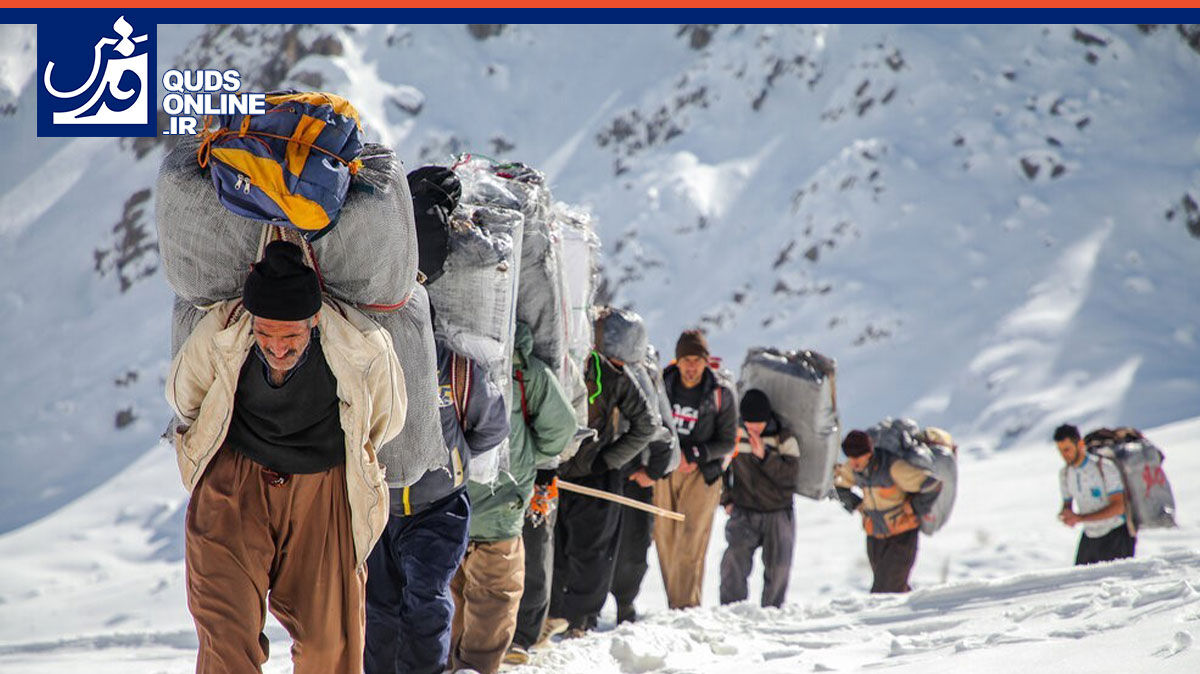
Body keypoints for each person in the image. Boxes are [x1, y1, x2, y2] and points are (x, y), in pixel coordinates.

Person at [166, 241, 406, 674]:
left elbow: (386, 420)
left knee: (328, 645)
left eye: (290, 335)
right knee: (225, 635)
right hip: (234, 486)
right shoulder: (224, 332)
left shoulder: (362, 350)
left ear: (313, 320)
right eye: (266, 334)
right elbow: (186, 397)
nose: (277, 348)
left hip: (323, 492)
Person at [364, 306, 509, 674]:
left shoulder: (456, 369)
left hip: (440, 508)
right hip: (380, 508)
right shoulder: (370, 364)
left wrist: (452, 459)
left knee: (426, 597)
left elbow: (492, 425)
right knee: (379, 605)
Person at [450, 322, 576, 673]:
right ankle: (475, 667)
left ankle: (451, 664)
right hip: (502, 502)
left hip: (447, 501)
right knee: (494, 596)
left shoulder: (446, 360)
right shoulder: (526, 371)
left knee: (452, 591)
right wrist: (531, 458)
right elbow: (561, 428)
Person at [550, 310, 657, 638]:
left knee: (590, 552)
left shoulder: (612, 377)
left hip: (593, 478)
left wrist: (607, 461)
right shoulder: (558, 367)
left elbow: (647, 424)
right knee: (555, 549)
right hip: (554, 476)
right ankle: (553, 617)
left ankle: (580, 620)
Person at [652, 329, 737, 609]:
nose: (691, 366)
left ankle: (685, 607)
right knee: (665, 540)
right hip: (666, 470)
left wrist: (695, 455)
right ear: (677, 361)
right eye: (686, 360)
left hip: (703, 474)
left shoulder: (719, 394)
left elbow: (727, 441)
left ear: (706, 361)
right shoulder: (663, 386)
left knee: (691, 540)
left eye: (696, 360)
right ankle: (674, 604)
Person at [609, 355, 679, 624]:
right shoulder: (597, 373)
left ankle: (624, 605)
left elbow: (660, 431)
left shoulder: (641, 377)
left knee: (634, 546)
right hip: (601, 475)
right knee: (593, 544)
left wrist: (652, 472)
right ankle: (585, 611)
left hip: (633, 479)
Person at [718, 390, 800, 608]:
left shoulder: (784, 437)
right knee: (733, 560)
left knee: (779, 567)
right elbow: (722, 470)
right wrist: (726, 499)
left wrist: (764, 456)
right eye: (749, 423)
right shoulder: (735, 434)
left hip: (778, 511)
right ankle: (731, 610)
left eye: (759, 424)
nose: (754, 428)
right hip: (744, 510)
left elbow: (790, 477)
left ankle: (771, 613)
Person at [834, 429, 941, 593]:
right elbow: (838, 486)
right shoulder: (853, 468)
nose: (853, 462)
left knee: (884, 591)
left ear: (869, 453)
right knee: (893, 589)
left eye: (858, 457)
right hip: (875, 537)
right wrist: (856, 505)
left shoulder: (894, 467)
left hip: (902, 536)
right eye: (850, 457)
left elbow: (933, 485)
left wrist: (914, 507)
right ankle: (915, 613)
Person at [1053, 424, 1137, 565]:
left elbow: (1119, 507)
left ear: (1079, 444)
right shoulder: (1065, 474)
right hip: (1090, 536)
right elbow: (1067, 504)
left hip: (1116, 535)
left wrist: (1079, 518)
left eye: (1067, 449)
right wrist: (1065, 514)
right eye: (1060, 451)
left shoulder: (1104, 468)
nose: (1064, 455)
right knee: (1080, 585)